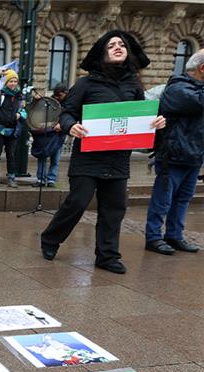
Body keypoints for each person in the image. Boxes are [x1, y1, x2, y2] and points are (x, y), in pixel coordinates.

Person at [40, 31, 166, 274]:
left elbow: (142, 117)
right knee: (77, 203)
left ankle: (107, 256)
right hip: (88, 156)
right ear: (101, 53)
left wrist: (156, 123)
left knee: (114, 207)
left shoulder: (134, 85)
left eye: (122, 44)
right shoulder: (85, 84)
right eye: (111, 45)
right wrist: (70, 125)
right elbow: (67, 112)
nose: (118, 47)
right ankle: (50, 239)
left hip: (118, 159)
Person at [144, 49, 204, 255]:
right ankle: (153, 238)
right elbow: (198, 102)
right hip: (173, 156)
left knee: (183, 200)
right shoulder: (178, 88)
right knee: (163, 200)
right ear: (202, 68)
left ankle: (174, 236)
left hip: (194, 157)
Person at [0, 68, 27, 188]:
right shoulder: (0, 95)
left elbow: (25, 112)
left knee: (11, 155)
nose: (13, 83)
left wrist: (21, 115)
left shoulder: (20, 97)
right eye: (11, 81)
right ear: (6, 83)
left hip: (13, 130)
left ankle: (11, 178)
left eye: (15, 81)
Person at [30, 84, 68, 188]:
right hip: (46, 134)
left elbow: (70, 117)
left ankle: (51, 180)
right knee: (42, 157)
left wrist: (62, 125)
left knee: (55, 159)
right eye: (56, 95)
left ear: (65, 93)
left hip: (58, 135)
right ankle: (41, 179)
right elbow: (36, 113)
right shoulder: (49, 102)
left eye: (59, 95)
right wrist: (35, 101)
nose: (57, 98)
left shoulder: (69, 104)